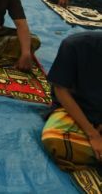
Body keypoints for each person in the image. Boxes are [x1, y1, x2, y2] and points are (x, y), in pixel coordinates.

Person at [41, 31, 102, 172]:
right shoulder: (75, 45)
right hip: (76, 109)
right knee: (54, 139)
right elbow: (61, 91)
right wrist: (92, 134)